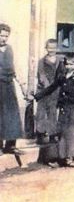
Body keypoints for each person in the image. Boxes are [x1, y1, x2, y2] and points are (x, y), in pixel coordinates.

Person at [34, 39, 65, 165]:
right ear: (46, 48)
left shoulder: (60, 61)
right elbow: (41, 75)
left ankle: (52, 134)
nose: (51, 50)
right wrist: (47, 86)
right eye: (49, 47)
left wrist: (57, 86)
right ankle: (40, 134)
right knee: (41, 113)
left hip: (55, 91)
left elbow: (61, 75)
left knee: (52, 113)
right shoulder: (41, 61)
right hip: (44, 91)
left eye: (53, 47)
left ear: (57, 48)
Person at [0, 23, 24, 156]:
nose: (3, 39)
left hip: (9, 86)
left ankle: (10, 145)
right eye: (1, 35)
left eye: (6, 36)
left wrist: (22, 85)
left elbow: (16, 68)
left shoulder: (10, 49)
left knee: (12, 115)